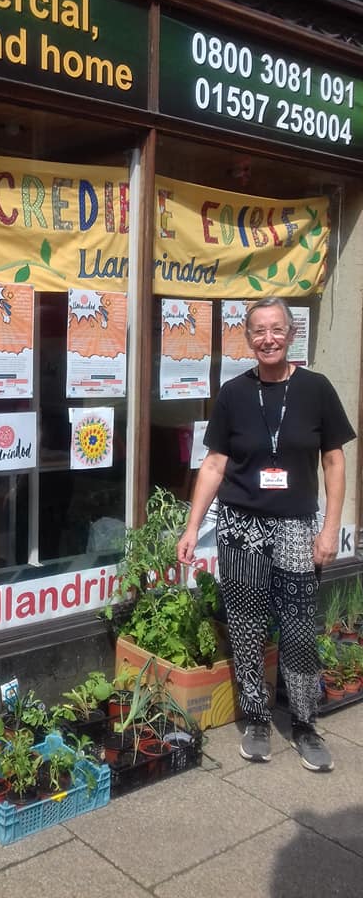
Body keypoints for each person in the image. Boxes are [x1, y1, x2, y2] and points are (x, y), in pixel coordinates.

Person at [177, 297, 355, 772]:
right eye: (259, 330)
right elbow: (214, 463)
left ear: (291, 333)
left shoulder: (316, 389)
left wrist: (330, 528)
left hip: (297, 526)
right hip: (241, 527)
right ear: (248, 337)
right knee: (246, 625)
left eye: (277, 329)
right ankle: (256, 718)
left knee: (297, 629)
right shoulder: (234, 393)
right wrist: (193, 527)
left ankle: (304, 724)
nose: (268, 338)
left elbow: (334, 461)